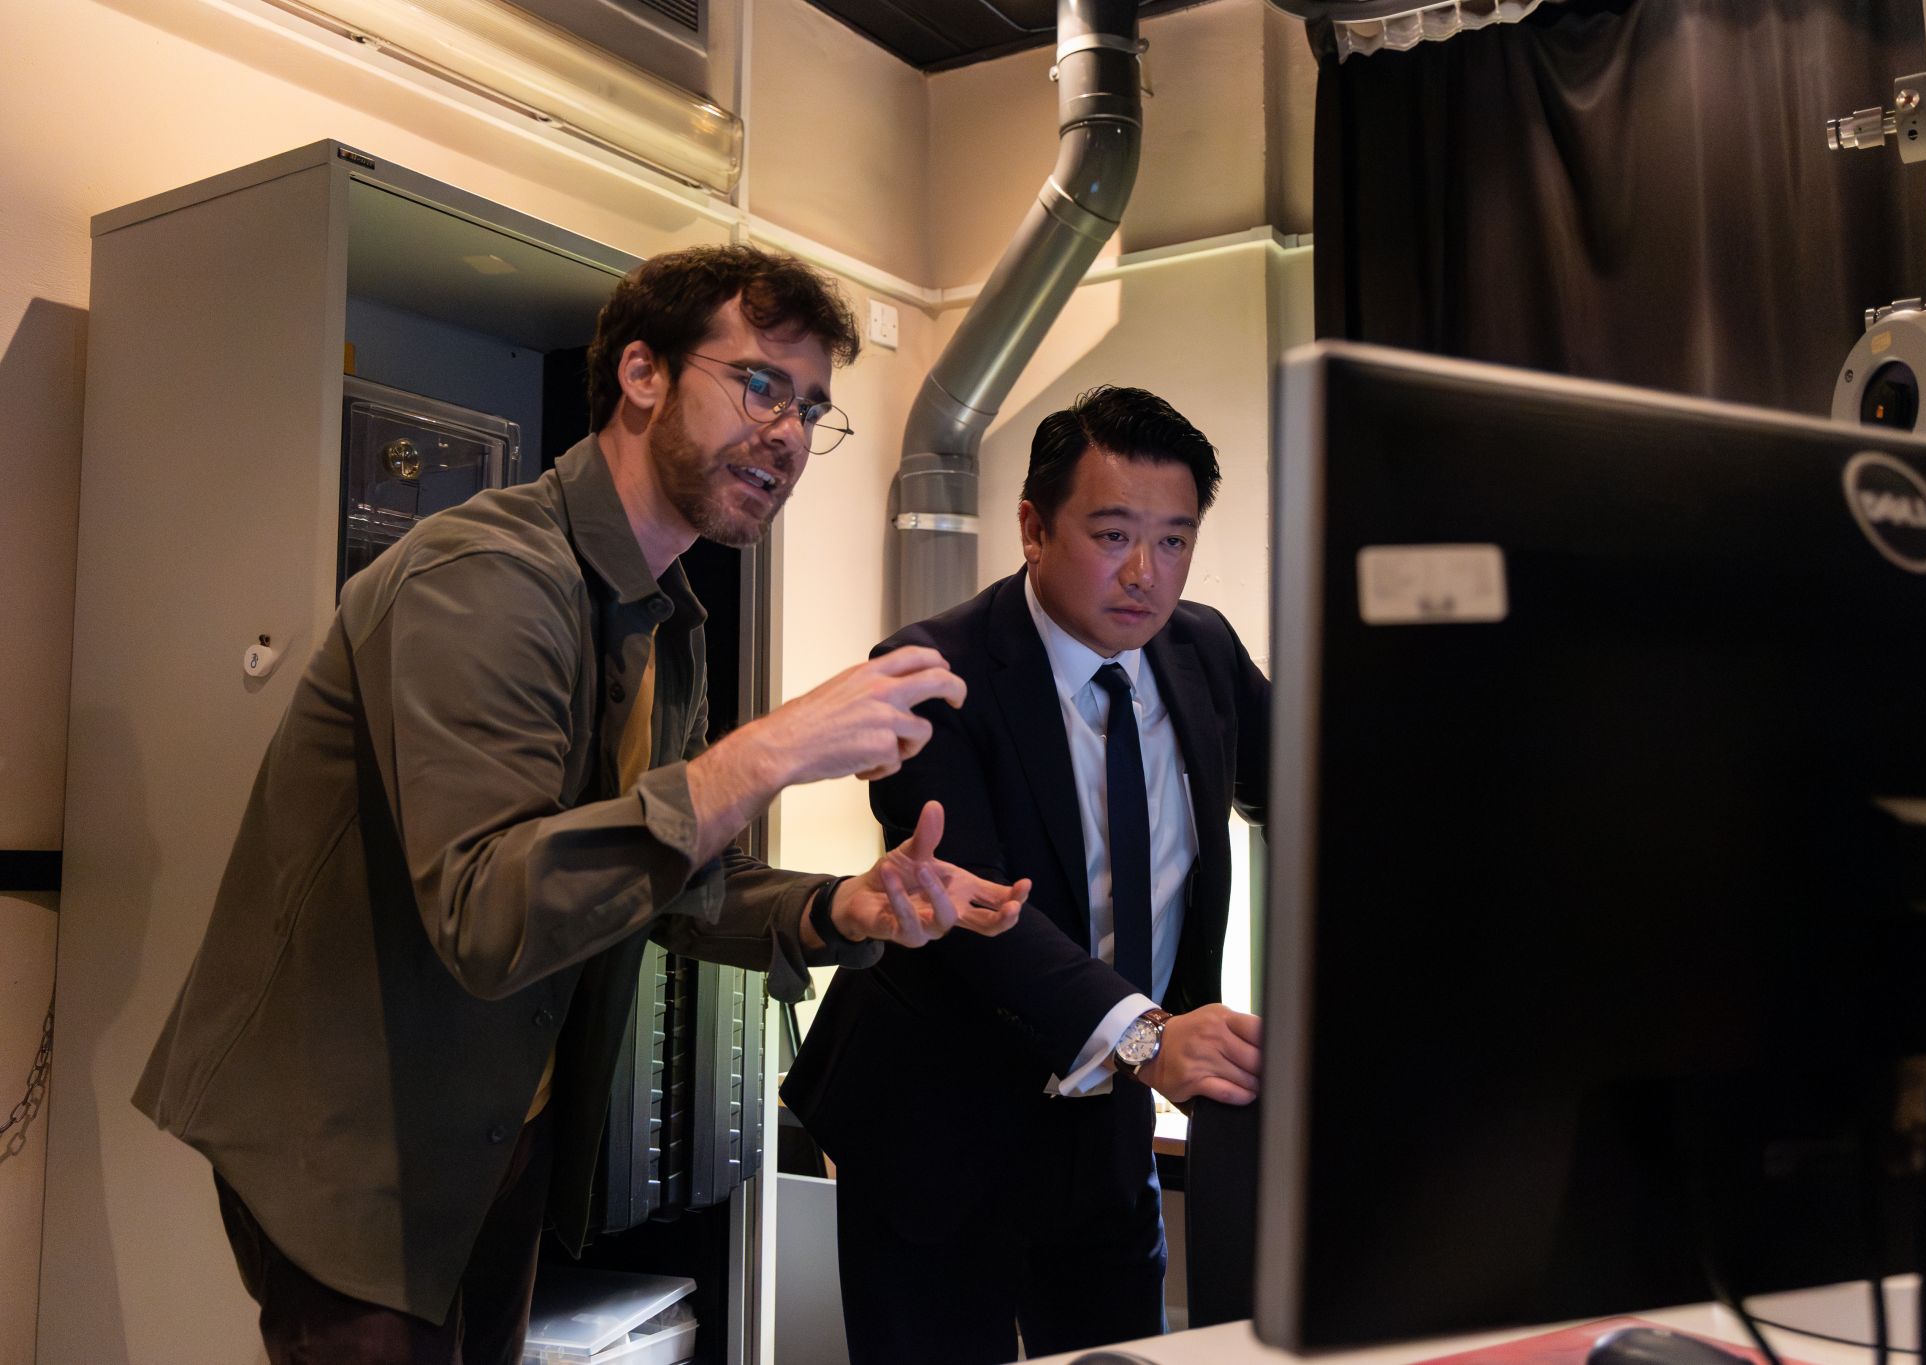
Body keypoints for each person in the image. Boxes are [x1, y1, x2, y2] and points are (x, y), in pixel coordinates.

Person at [132, 244, 1029, 1365]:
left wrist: (838, 907)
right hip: (352, 1139)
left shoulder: (662, 615)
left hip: (496, 1133)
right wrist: (770, 750)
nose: (790, 434)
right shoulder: (484, 574)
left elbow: (672, 876)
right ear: (642, 374)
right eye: (759, 384)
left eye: (810, 408)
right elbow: (487, 909)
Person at [783, 385, 1271, 1363]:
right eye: (1112, 534)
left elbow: (1305, 792)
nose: (1144, 573)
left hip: (1102, 1127)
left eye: (1173, 540)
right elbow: (974, 910)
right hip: (936, 1123)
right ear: (1033, 528)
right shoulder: (931, 669)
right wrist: (1148, 1036)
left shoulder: (1202, 651)